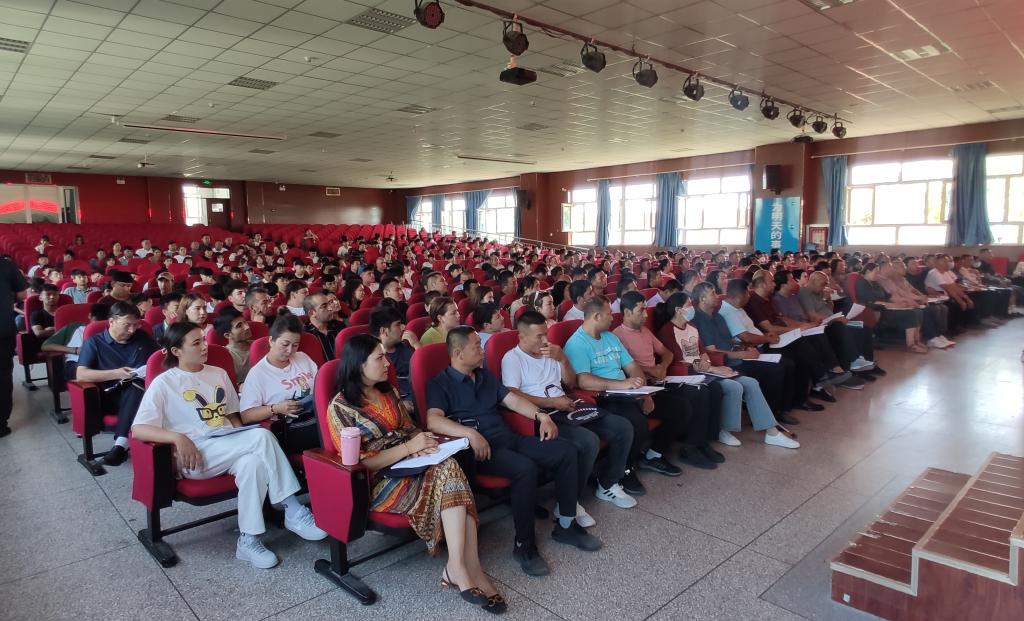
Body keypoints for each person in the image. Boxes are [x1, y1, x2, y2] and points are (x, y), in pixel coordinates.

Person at [326, 335, 506, 613]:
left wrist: (424, 444)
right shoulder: (340, 408)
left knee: (449, 467)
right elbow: (359, 465)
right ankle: (462, 569)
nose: (388, 363)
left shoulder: (388, 391)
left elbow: (410, 429)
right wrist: (409, 448)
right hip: (379, 482)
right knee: (450, 474)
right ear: (359, 365)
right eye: (379, 358)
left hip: (410, 464)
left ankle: (465, 567)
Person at [131, 322, 326, 569]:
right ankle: (293, 508)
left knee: (253, 464)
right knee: (262, 437)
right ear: (176, 351)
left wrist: (238, 433)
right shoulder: (165, 383)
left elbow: (234, 416)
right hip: (196, 454)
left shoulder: (218, 373)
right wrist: (178, 438)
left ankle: (248, 540)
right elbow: (139, 429)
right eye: (196, 343)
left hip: (226, 444)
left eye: (204, 340)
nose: (205, 346)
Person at [427, 327, 601, 577]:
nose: (482, 350)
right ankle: (524, 546)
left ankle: (566, 525)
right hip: (481, 450)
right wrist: (470, 434)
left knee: (567, 451)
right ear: (458, 353)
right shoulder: (440, 383)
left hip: (508, 438)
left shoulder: (485, 376)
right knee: (525, 469)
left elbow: (513, 401)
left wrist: (541, 416)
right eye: (476, 346)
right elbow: (433, 420)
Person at [503, 310, 637, 517]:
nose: (545, 340)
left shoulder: (552, 352)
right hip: (542, 414)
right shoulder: (512, 358)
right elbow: (512, 395)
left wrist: (563, 360)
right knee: (588, 441)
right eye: (539, 336)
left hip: (566, 405)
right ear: (522, 336)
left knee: (622, 427)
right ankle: (569, 502)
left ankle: (608, 483)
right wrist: (551, 402)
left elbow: (571, 383)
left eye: (546, 334)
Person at [654, 292, 799, 449]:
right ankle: (724, 429)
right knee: (734, 386)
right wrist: (714, 369)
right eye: (688, 305)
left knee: (751, 383)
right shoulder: (667, 331)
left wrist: (711, 366)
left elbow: (702, 352)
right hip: (688, 373)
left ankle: (772, 432)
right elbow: (682, 360)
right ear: (678, 310)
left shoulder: (692, 327)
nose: (692, 308)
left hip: (705, 369)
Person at [613, 291, 724, 469]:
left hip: (659, 381)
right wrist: (650, 370)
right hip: (641, 385)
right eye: (641, 310)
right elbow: (623, 367)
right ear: (627, 312)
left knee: (711, 389)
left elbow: (667, 353)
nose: (646, 315)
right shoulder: (617, 336)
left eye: (646, 310)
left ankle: (701, 443)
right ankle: (688, 448)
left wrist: (662, 366)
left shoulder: (645, 332)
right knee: (692, 398)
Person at [708, 280, 821, 414]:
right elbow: (746, 338)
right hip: (751, 349)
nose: (749, 296)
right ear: (741, 295)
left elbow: (751, 331)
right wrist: (766, 338)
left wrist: (766, 336)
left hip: (761, 343)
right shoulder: (728, 312)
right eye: (747, 293)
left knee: (800, 354)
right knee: (785, 365)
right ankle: (778, 409)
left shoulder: (739, 308)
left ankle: (797, 400)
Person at [75, 301, 160, 465]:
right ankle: (121, 444)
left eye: (136, 325)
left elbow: (158, 360)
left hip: (146, 393)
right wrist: (116, 373)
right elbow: (81, 375)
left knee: (139, 385)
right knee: (136, 387)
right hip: (110, 395)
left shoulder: (142, 337)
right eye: (127, 325)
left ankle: (124, 445)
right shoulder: (94, 342)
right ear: (111, 322)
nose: (132, 330)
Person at [239, 314, 319, 455]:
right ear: (271, 341)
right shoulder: (258, 373)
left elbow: (320, 386)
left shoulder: (302, 358)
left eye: (295, 345)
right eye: (285, 344)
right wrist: (276, 408)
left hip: (317, 416)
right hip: (292, 428)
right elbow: (246, 415)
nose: (290, 350)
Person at [857, 262, 927, 353]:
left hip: (887, 308)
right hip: (879, 311)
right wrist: (896, 305)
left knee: (917, 311)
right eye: (876, 272)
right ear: (868, 271)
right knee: (911, 314)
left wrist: (905, 301)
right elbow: (873, 302)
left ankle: (916, 340)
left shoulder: (875, 283)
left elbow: (889, 297)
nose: (877, 274)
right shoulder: (862, 284)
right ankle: (911, 345)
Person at [0, 256, 28, 437]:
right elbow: (22, 294)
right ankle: (1, 424)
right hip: (2, 329)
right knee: (2, 376)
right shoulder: (6, 264)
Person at [369, 305, 418, 406]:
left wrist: (417, 346)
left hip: (420, 394)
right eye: (398, 324)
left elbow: (427, 373)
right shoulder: (372, 359)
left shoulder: (407, 345)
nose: (404, 327)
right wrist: (400, 404)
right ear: (384, 331)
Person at [213, 312, 252, 384]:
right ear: (228, 335)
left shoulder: (259, 346)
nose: (247, 327)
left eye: (245, 322)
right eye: (239, 326)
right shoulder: (224, 355)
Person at [302, 292, 343, 360]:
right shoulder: (305, 336)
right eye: (324, 306)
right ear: (312, 313)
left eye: (329, 304)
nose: (330, 308)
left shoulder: (339, 326)